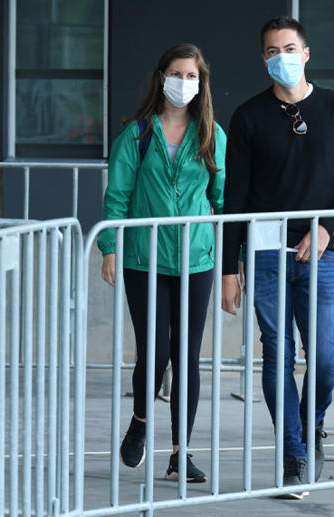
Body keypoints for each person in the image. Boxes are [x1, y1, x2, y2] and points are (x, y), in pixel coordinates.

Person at [220, 16, 334, 497]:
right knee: (277, 356)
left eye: (288, 48)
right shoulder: (247, 116)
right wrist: (230, 267)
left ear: (306, 53)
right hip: (265, 253)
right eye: (270, 51)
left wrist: (327, 228)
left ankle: (312, 427)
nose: (279, 57)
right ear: (262, 59)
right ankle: (294, 457)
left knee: (326, 359)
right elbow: (235, 201)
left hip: (318, 255)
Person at [99, 43, 225, 483]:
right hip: (144, 258)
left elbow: (222, 199)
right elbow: (116, 197)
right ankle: (140, 421)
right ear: (160, 77)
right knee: (154, 352)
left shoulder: (212, 134)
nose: (183, 83)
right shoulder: (136, 134)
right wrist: (110, 249)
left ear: (201, 82)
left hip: (197, 259)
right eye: (177, 74)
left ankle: (180, 453)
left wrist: (233, 261)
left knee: (186, 356)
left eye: (191, 76)